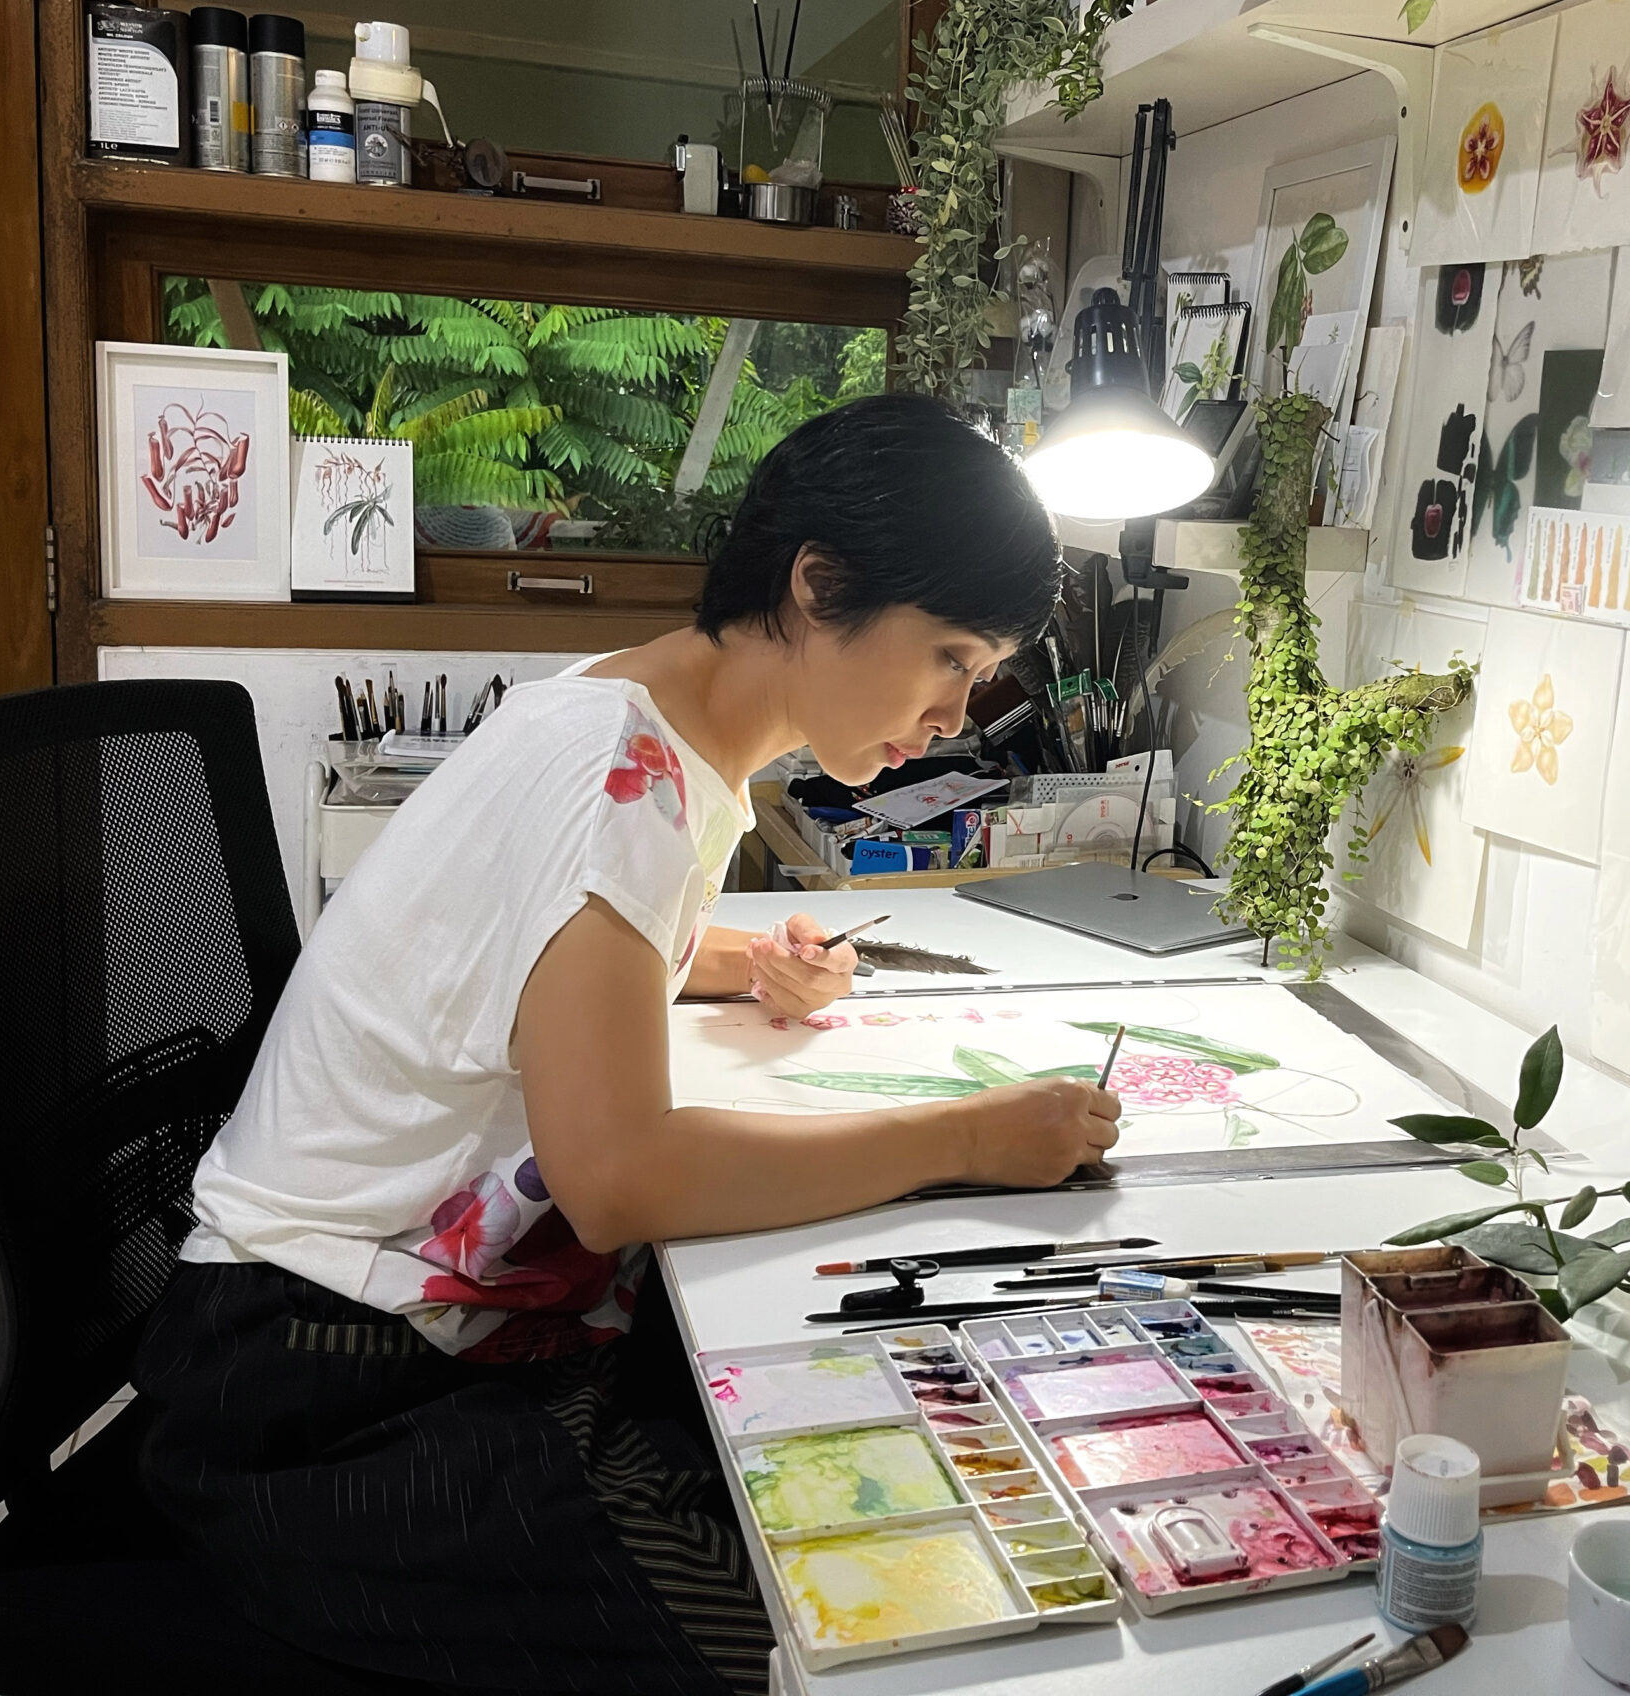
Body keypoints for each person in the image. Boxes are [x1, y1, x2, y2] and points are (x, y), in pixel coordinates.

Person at [134, 395, 1119, 1696]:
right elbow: (616, 1181)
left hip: (379, 1314)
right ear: (818, 586)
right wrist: (971, 1139)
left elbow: (544, 944)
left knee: (824, 1442)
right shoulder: (626, 781)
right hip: (309, 1380)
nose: (957, 712)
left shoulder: (635, 719)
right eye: (948, 655)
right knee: (819, 1610)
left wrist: (731, 962)